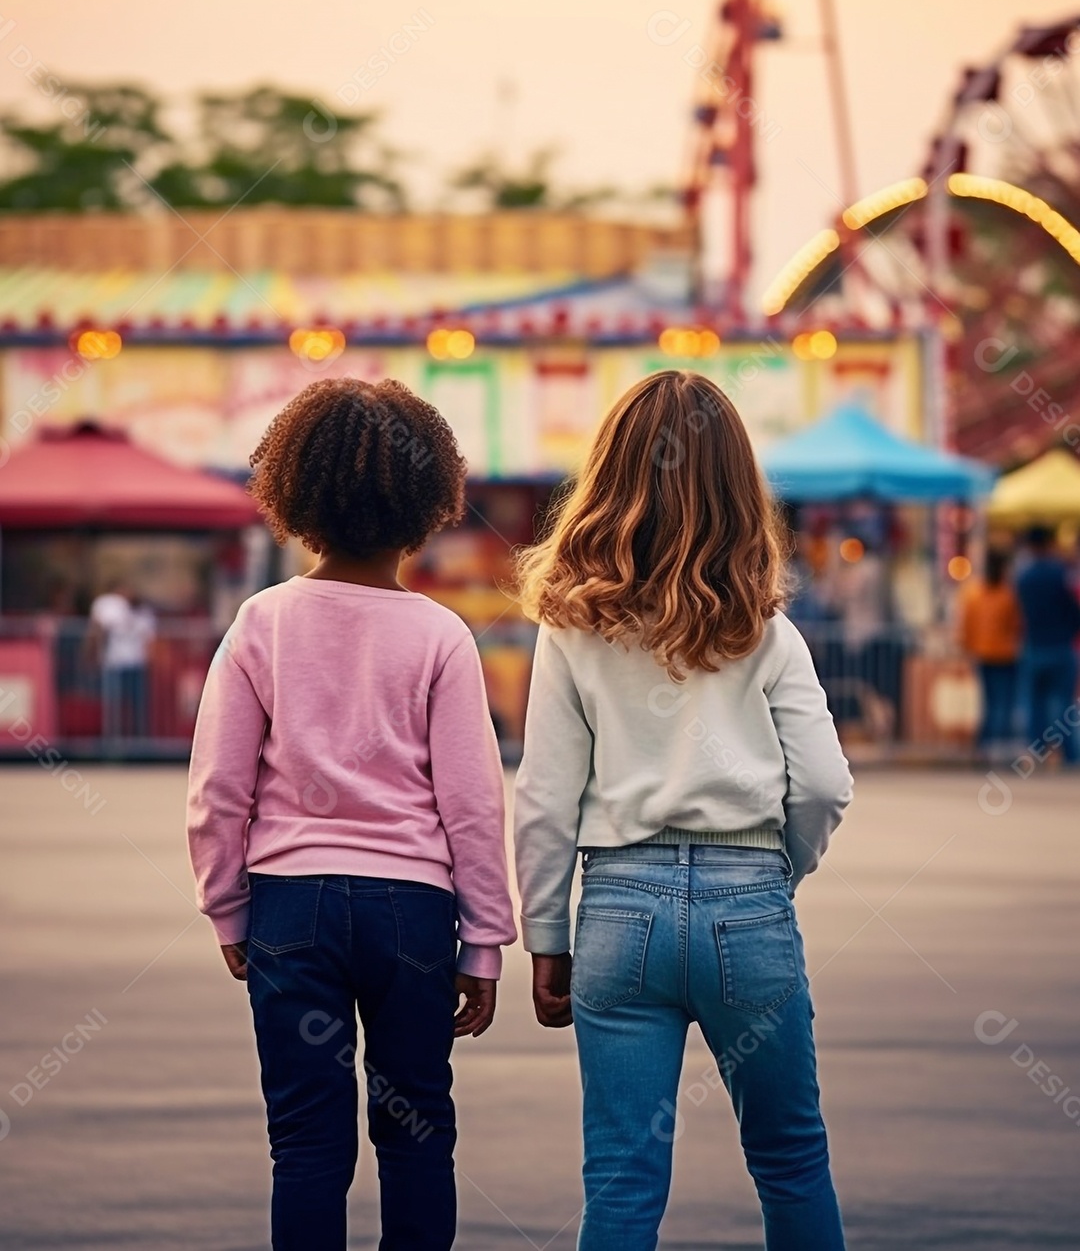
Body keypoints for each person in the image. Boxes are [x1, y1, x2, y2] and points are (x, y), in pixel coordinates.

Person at [514, 370, 852, 1251]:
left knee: (622, 1177)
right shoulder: (769, 633)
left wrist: (548, 939)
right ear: (741, 492)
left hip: (619, 914)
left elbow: (544, 800)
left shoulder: (569, 630)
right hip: (750, 906)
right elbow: (821, 784)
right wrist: (775, 869)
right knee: (790, 1159)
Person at [186, 378, 516, 1251]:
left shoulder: (261, 624)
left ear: (296, 500)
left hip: (289, 906)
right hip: (412, 910)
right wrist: (483, 941)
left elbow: (219, 789)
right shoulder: (441, 636)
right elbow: (474, 805)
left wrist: (228, 905)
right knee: (416, 1137)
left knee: (305, 1144)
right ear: (425, 506)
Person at [1015, 526, 1080, 765]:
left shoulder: (1024, 577)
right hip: (1061, 645)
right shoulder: (1061, 574)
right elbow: (1074, 609)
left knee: (1035, 703)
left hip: (1034, 645)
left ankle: (1038, 751)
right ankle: (1069, 754)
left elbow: (1019, 612)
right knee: (1064, 704)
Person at [958, 550, 1021, 756]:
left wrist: (967, 648)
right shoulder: (1008, 595)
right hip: (1005, 653)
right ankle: (1000, 743)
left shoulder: (974, 594)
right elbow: (1016, 625)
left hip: (982, 653)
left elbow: (967, 625)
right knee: (1004, 701)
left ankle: (986, 744)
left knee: (989, 701)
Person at [89, 580, 156, 737]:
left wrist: (150, 662)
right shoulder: (109, 606)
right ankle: (114, 739)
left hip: (137, 664)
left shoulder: (144, 613)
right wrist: (93, 654)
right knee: (114, 705)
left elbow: (150, 640)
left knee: (138, 705)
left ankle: (139, 739)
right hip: (114, 663)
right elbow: (96, 631)